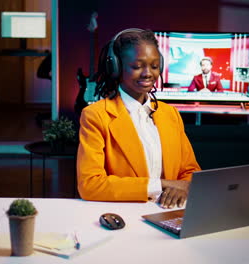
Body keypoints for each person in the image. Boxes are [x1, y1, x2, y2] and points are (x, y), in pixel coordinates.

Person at [77, 29, 201, 209]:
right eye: (137, 66)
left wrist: (184, 189)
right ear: (117, 68)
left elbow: (191, 171)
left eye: (154, 66)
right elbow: (90, 185)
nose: (148, 73)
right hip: (123, 213)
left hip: (171, 211)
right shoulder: (96, 115)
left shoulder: (170, 114)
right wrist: (162, 185)